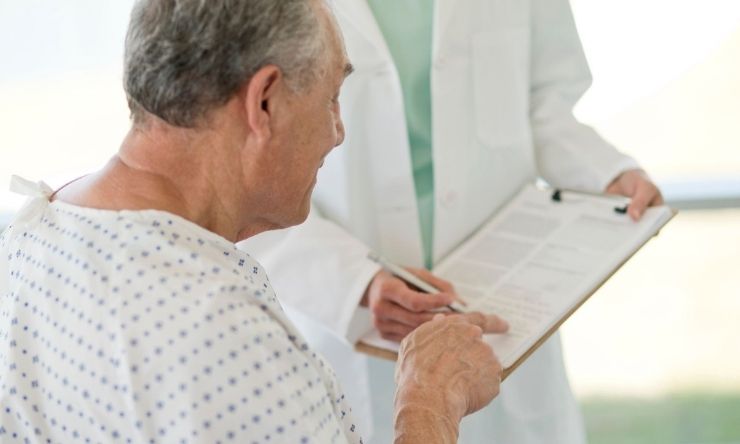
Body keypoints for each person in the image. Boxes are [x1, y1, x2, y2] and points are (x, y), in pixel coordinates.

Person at [0, 0, 510, 442]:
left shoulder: (26, 241)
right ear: (263, 101)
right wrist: (428, 404)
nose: (338, 132)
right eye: (331, 98)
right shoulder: (225, 340)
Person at [240, 0, 664, 443]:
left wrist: (606, 172)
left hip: (504, 315)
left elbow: (544, 105)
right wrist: (355, 285)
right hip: (351, 322)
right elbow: (243, 164)